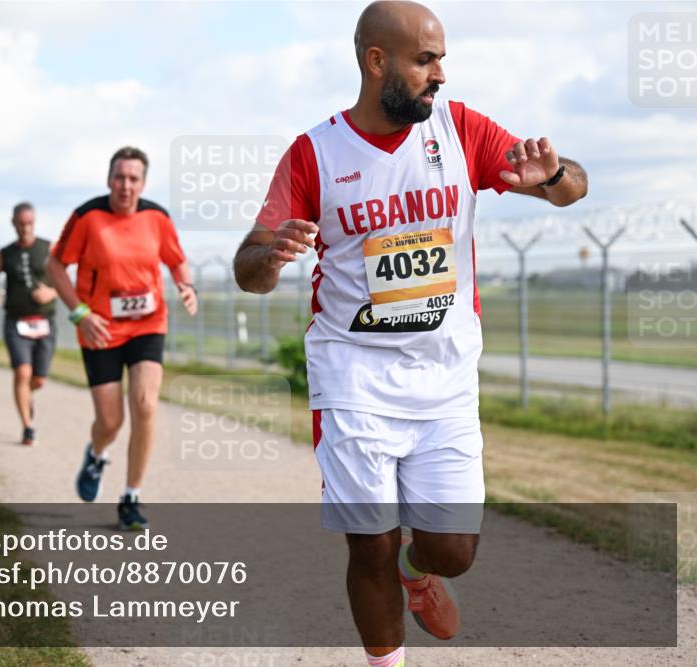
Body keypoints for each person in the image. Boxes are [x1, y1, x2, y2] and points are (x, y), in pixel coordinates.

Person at [232, 2, 587, 665]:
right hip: (354, 375)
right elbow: (247, 266)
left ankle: (418, 568)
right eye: (426, 59)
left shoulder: (461, 131)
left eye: (442, 58)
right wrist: (272, 253)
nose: (441, 74)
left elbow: (572, 190)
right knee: (367, 540)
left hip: (444, 374)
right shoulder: (314, 154)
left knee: (454, 549)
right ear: (377, 63)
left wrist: (556, 177)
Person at [47, 146, 198, 531]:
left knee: (146, 403)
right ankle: (97, 454)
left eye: (133, 179)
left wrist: (185, 284)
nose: (125, 185)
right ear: (108, 179)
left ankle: (131, 495)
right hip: (99, 327)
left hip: (148, 324)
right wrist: (80, 313)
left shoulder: (157, 217)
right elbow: (55, 264)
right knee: (110, 421)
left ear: (143, 183)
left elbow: (176, 258)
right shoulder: (87, 217)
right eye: (119, 177)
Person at [0, 203, 58, 445]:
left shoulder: (49, 248)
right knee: (22, 373)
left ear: (34, 223)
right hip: (16, 322)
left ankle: (25, 396)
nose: (25, 228)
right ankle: (27, 427)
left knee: (38, 380)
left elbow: (67, 280)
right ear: (13, 223)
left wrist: (52, 291)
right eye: (21, 224)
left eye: (30, 223)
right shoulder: (5, 253)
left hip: (44, 322)